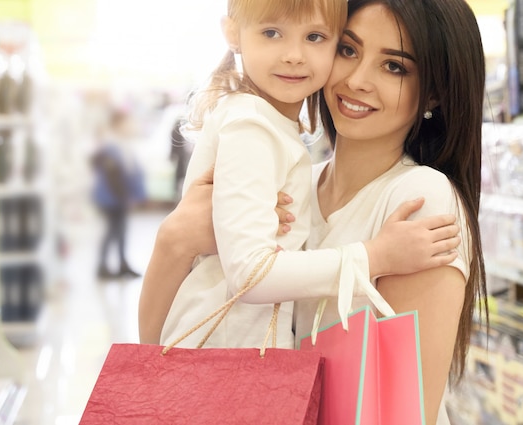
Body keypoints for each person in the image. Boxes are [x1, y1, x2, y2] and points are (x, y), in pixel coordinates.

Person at [139, 0, 488, 423]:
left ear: (433, 91)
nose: (358, 80)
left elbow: (404, 411)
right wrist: (174, 238)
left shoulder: (420, 197)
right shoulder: (290, 183)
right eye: (348, 50)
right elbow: (156, 347)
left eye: (394, 67)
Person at [90, 108, 145, 279]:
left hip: (119, 197)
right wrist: (125, 196)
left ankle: (122, 263)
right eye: (127, 122)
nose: (131, 126)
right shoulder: (111, 146)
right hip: (112, 198)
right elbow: (114, 176)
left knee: (121, 230)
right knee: (112, 231)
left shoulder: (121, 143)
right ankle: (103, 266)